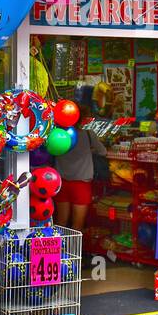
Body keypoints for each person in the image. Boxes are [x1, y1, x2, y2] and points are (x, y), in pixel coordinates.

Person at [53, 94, 107, 231]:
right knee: (77, 225)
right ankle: (73, 251)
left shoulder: (57, 136)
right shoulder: (88, 135)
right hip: (81, 185)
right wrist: (91, 149)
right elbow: (103, 152)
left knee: (60, 223)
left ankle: (59, 250)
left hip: (61, 183)